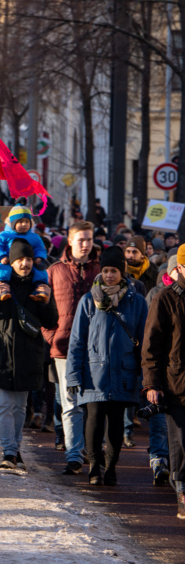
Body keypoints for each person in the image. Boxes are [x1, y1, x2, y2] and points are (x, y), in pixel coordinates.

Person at [0, 239, 58, 470]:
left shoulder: (39, 285)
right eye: (20, 259)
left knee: (20, 407)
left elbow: (51, 321)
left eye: (29, 259)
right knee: (3, 405)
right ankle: (9, 451)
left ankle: (15, 448)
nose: (25, 263)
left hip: (27, 356)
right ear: (11, 260)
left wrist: (47, 301)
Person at [66, 245, 148, 486]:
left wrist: (145, 378)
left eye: (114, 270)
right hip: (94, 371)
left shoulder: (137, 302)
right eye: (106, 270)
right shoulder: (88, 300)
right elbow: (77, 340)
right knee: (93, 419)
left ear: (122, 272)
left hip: (124, 370)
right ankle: (93, 465)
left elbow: (144, 343)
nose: (109, 275)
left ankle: (111, 466)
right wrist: (73, 376)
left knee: (116, 422)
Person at [46, 221, 99, 475]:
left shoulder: (102, 270)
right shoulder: (55, 270)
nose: (86, 244)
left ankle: (90, 451)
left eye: (89, 239)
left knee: (93, 404)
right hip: (64, 347)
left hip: (96, 349)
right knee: (70, 404)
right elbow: (42, 309)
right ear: (70, 241)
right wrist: (50, 336)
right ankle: (74, 455)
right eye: (81, 239)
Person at [141, 244, 185, 517]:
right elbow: (151, 346)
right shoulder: (165, 298)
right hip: (177, 383)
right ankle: (182, 490)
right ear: (179, 268)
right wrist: (152, 384)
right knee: (181, 441)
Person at [0, 203, 50, 299]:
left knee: (40, 270)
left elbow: (40, 247)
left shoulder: (34, 237)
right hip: (8, 261)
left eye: (27, 221)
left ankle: (39, 289)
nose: (24, 224)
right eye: (20, 222)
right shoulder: (5, 235)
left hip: (29, 262)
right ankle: (3, 288)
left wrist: (39, 257)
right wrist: (1, 257)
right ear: (13, 223)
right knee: (3, 270)